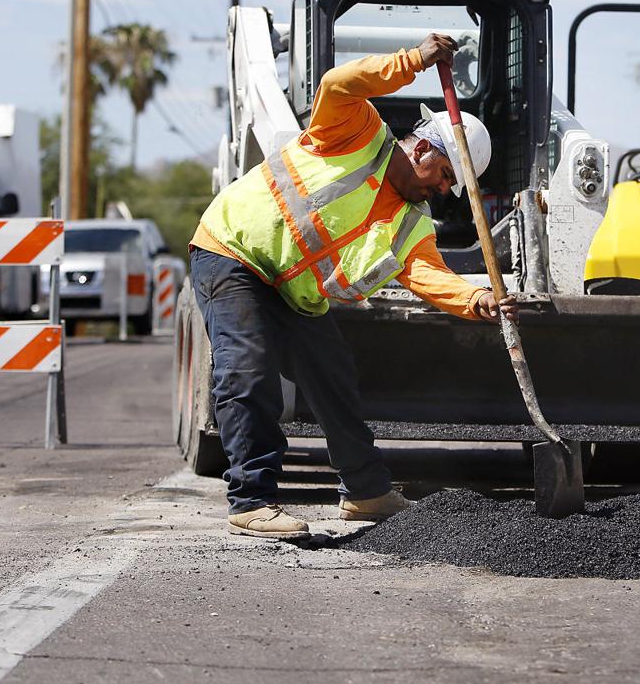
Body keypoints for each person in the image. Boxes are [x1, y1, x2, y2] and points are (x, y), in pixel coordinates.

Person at [189, 32, 517, 539]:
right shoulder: (357, 130)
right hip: (233, 253)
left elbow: (429, 275)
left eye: (451, 185)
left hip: (293, 292)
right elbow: (338, 83)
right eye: (443, 175)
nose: (441, 189)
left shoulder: (412, 222)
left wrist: (478, 300)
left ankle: (365, 492)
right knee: (249, 372)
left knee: (334, 379)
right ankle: (251, 502)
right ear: (423, 147)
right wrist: (413, 61)